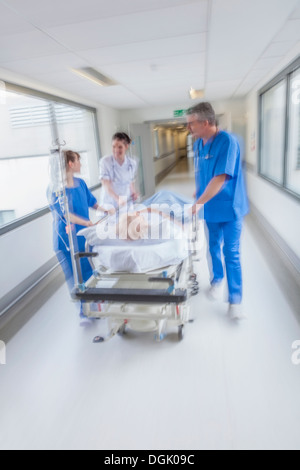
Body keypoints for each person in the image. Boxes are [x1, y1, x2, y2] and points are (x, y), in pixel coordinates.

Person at [186, 102, 249, 320]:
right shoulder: (198, 145)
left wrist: (197, 204)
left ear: (206, 122)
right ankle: (216, 281)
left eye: (191, 123)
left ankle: (235, 300)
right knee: (212, 248)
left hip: (230, 207)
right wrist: (198, 191)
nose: (189, 128)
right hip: (210, 208)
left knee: (231, 252)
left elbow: (221, 177)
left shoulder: (228, 142)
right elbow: (203, 173)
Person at [50, 150, 107, 326]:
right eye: (78, 161)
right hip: (66, 241)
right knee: (76, 275)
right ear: (70, 164)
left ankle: (94, 301)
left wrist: (107, 210)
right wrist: (88, 222)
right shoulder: (57, 190)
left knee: (88, 269)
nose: (81, 164)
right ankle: (84, 309)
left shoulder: (80, 183)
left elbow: (92, 202)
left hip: (83, 236)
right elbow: (66, 215)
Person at [99, 132, 138, 210]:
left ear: (126, 146)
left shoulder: (132, 163)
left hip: (125, 200)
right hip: (110, 202)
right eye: (114, 146)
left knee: (128, 221)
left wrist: (133, 193)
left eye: (120, 147)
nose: (116, 150)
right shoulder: (105, 161)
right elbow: (105, 184)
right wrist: (117, 198)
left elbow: (130, 181)